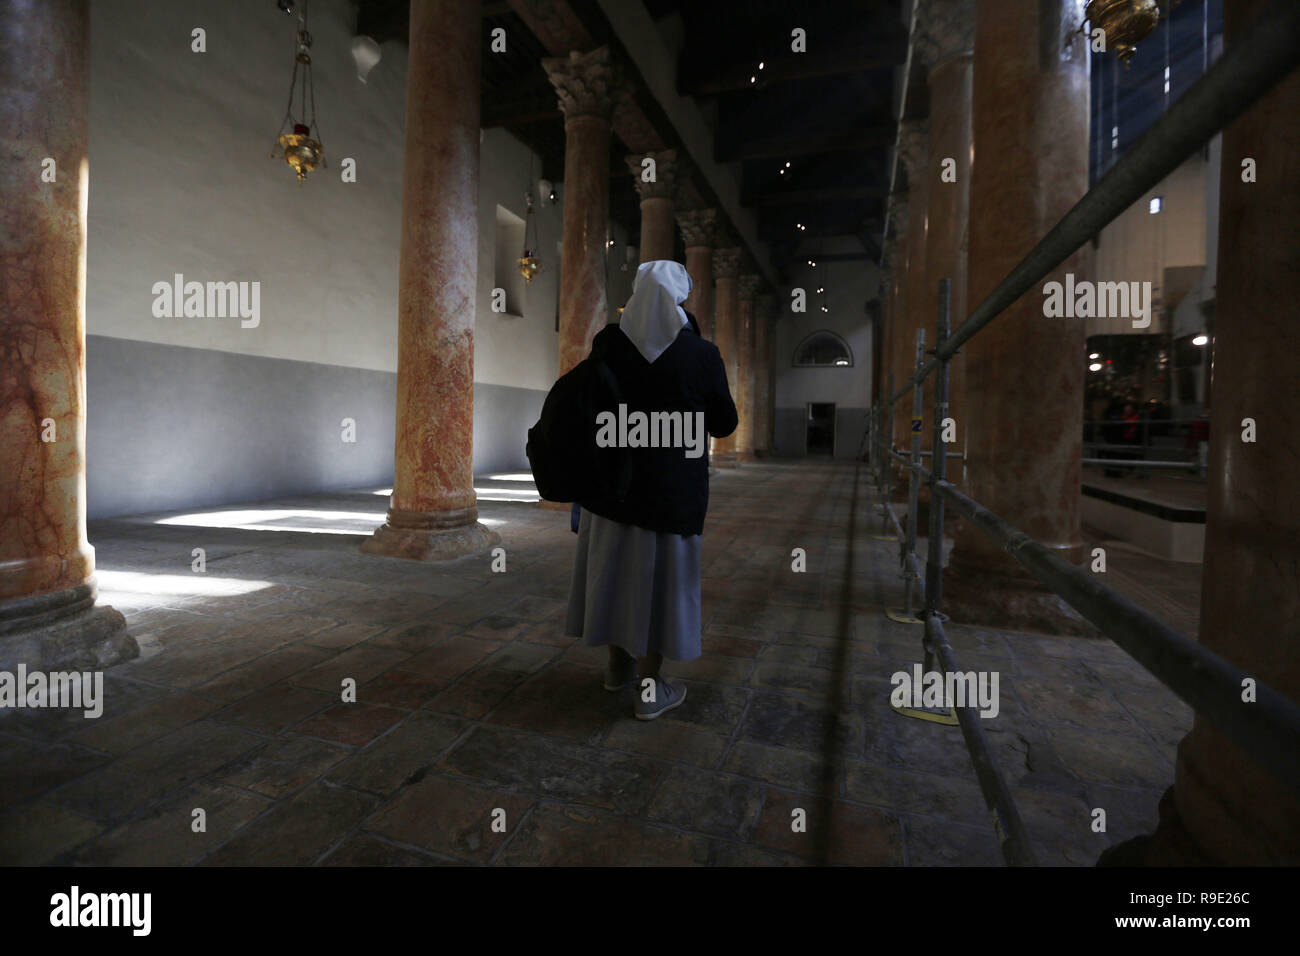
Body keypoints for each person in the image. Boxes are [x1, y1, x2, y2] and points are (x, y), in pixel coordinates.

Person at [564, 260, 737, 720]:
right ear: (680, 299)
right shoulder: (700, 354)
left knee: (614, 577)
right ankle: (649, 690)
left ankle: (616, 670)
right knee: (659, 590)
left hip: (610, 492)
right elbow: (724, 423)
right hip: (669, 497)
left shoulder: (607, 345)